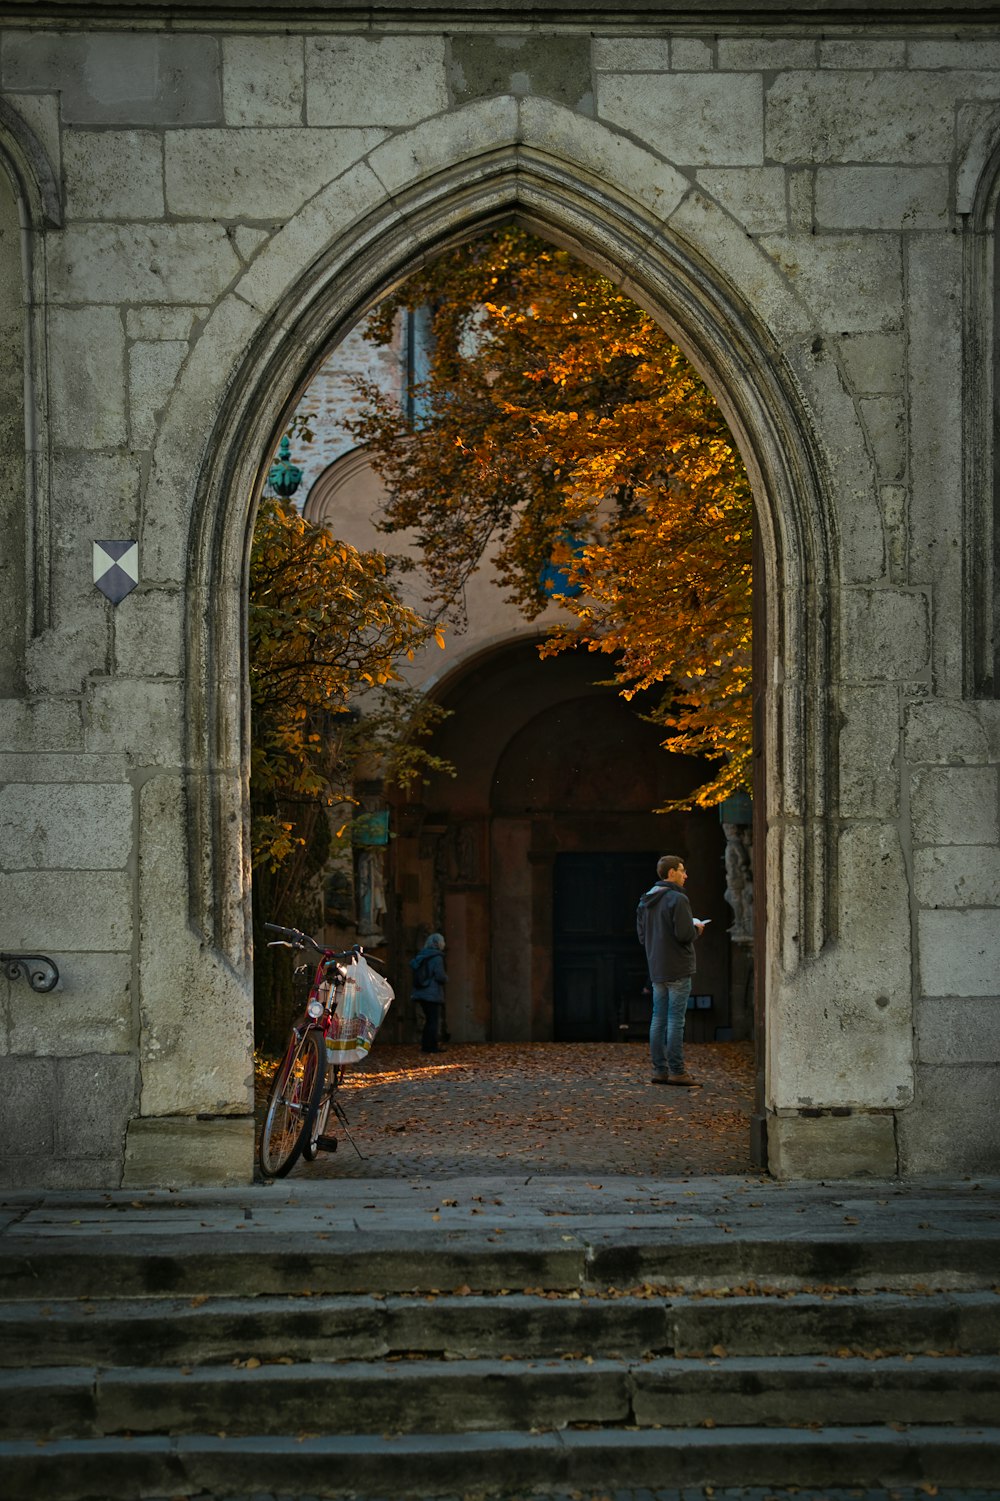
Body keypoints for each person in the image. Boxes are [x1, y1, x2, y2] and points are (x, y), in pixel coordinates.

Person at [636, 854, 706, 1087]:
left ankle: (659, 1070)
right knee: (676, 1020)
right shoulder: (677, 899)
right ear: (671, 873)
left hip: (657, 967)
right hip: (678, 966)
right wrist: (697, 928)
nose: (686, 875)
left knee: (658, 1019)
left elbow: (642, 936)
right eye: (682, 870)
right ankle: (677, 1071)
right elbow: (684, 935)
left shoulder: (645, 900)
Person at [410, 932, 448, 1054]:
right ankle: (431, 1046)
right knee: (433, 1021)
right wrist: (446, 978)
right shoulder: (437, 957)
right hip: (432, 993)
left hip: (419, 992)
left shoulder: (422, 955)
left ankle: (426, 1046)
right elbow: (440, 976)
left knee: (428, 1020)